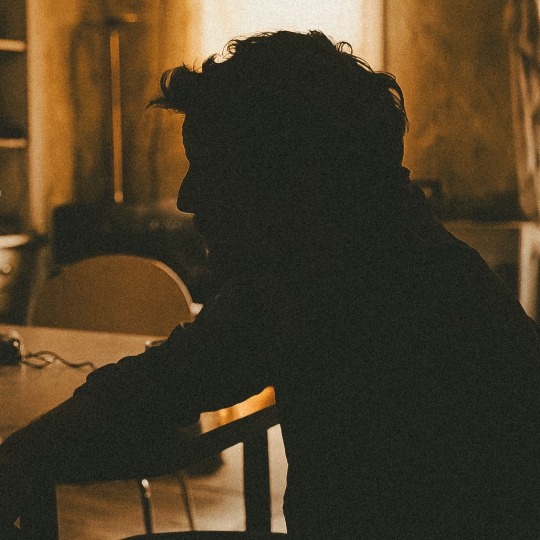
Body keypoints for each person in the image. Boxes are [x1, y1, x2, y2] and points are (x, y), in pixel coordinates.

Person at [2, 29, 540, 538]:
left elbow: (157, 390)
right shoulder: (405, 253)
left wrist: (13, 460)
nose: (188, 196)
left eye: (211, 166)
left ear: (282, 171)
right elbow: (170, 381)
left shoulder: (316, 278)